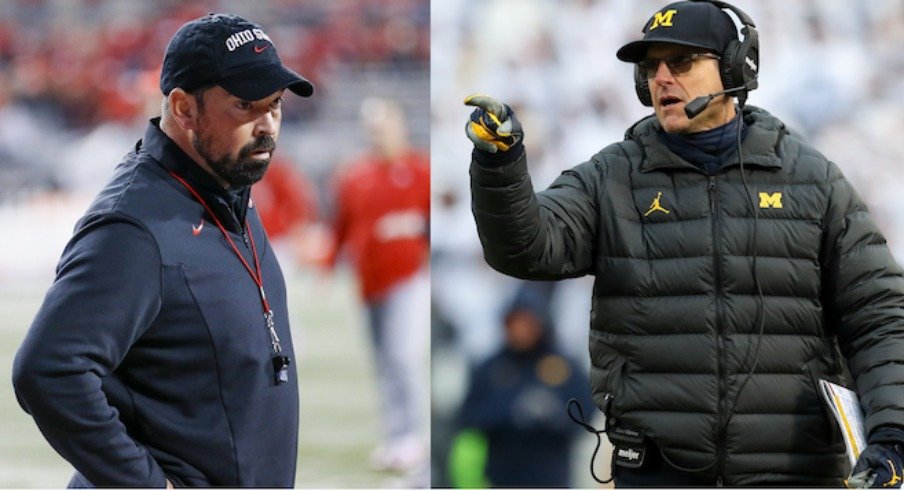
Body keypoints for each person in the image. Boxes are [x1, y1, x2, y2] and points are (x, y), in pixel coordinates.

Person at [463, 0, 904, 487]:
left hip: (793, 472)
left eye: (683, 62)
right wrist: (500, 166)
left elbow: (878, 315)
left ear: (737, 68)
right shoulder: (612, 178)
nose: (663, 78)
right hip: (657, 473)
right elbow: (526, 248)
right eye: (652, 67)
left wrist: (893, 434)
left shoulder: (812, 180)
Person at [12, 13, 314, 487]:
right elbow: (48, 369)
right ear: (183, 108)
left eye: (274, 105)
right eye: (245, 106)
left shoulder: (227, 189)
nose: (267, 125)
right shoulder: (135, 226)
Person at [326, 97, 430, 474]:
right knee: (383, 363)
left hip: (407, 278)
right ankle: (395, 436)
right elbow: (342, 225)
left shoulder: (420, 170)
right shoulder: (356, 175)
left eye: (384, 127)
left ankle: (415, 435)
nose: (378, 135)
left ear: (399, 126)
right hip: (368, 282)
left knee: (403, 357)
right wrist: (327, 265)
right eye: (372, 129)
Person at [448, 282, 594, 488]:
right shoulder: (491, 367)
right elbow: (467, 416)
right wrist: (512, 411)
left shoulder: (564, 367)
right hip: (502, 476)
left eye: (526, 322)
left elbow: (586, 416)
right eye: (514, 323)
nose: (519, 331)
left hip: (552, 476)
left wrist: (553, 415)